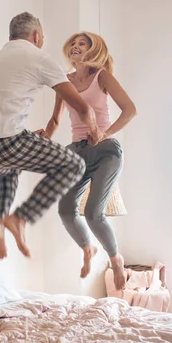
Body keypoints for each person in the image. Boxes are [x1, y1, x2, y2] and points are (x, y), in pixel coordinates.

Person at [0, 13, 104, 260]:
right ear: (37, 36)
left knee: (8, 168)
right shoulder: (38, 57)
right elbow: (82, 108)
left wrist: (46, 134)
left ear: (11, 36)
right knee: (74, 164)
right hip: (4, 142)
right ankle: (20, 219)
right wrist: (95, 133)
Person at [37, 31, 137, 291]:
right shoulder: (64, 81)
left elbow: (130, 110)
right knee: (65, 210)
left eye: (82, 43)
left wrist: (105, 133)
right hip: (76, 152)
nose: (75, 46)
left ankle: (116, 259)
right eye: (73, 43)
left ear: (93, 50)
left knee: (94, 212)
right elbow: (56, 119)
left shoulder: (102, 76)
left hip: (105, 150)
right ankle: (87, 247)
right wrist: (46, 134)